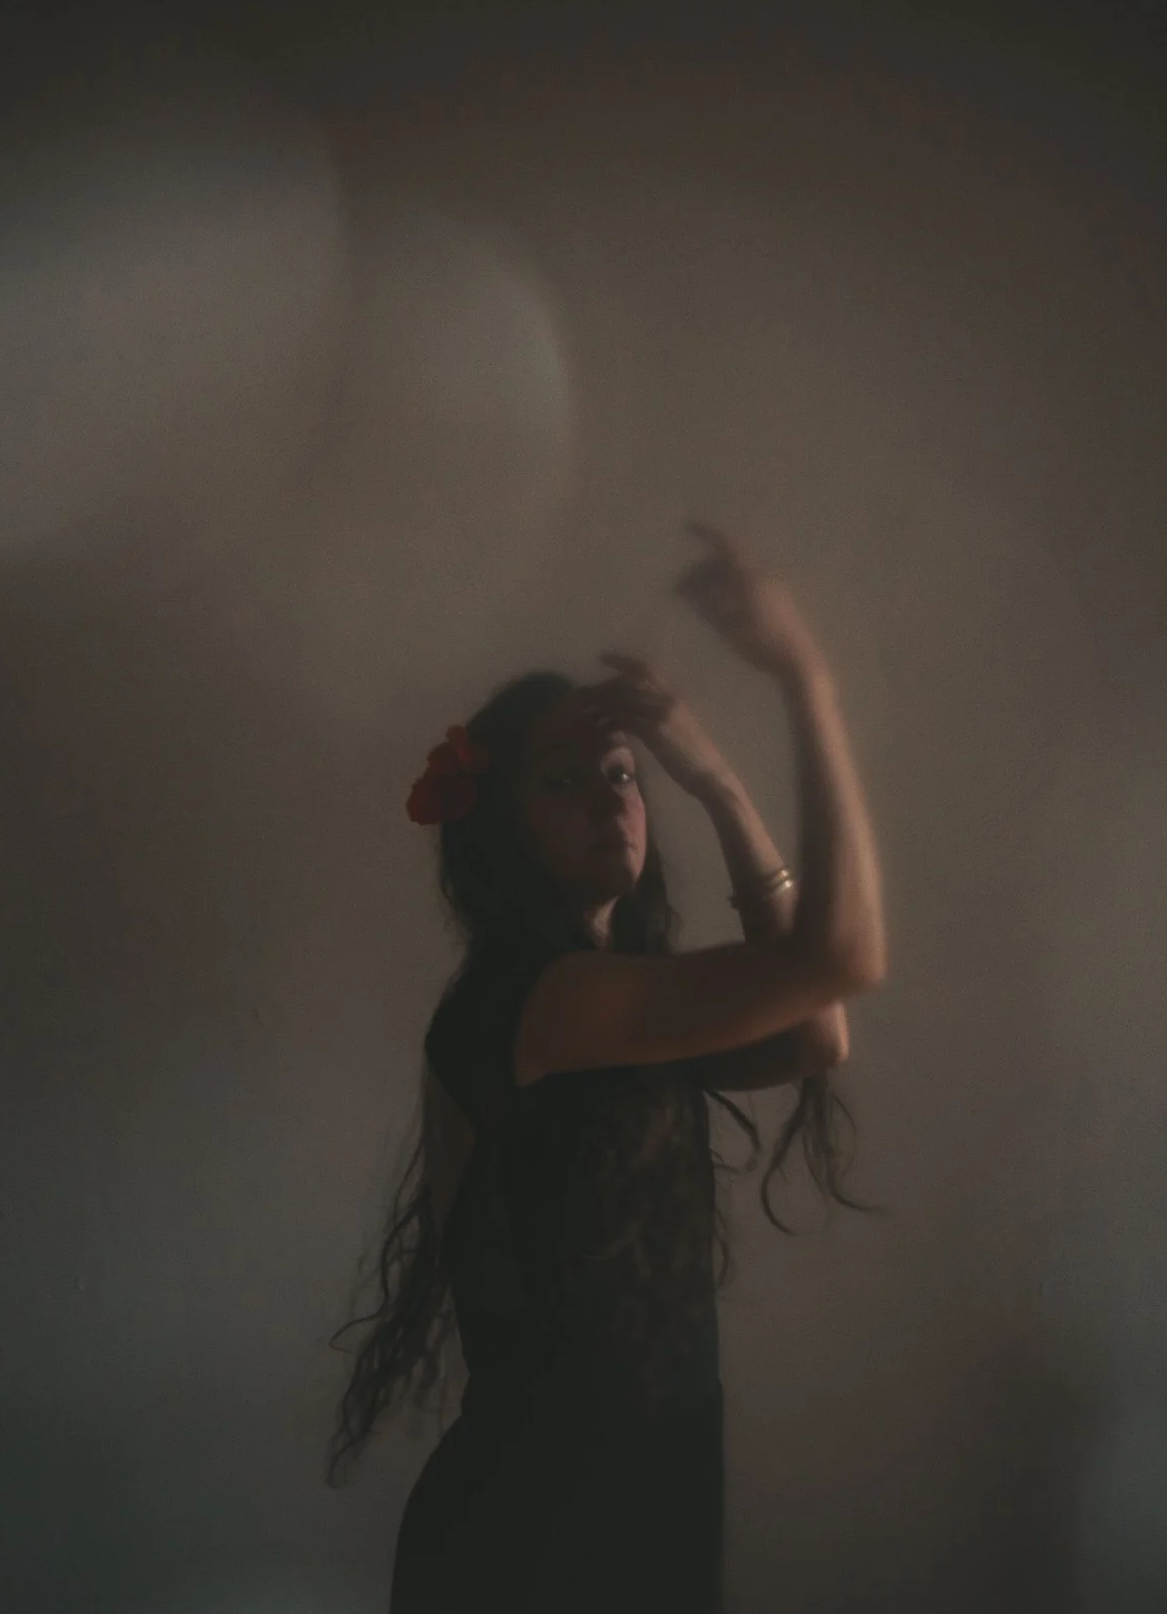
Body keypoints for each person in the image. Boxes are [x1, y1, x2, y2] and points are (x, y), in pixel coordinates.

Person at [326, 521, 890, 1612]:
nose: (610, 796)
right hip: (537, 1548)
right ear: (498, 830)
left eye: (623, 772)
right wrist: (803, 679)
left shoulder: (610, 1001)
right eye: (562, 779)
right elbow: (842, 957)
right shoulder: (551, 1000)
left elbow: (818, 1029)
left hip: (618, 1527)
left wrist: (719, 790)